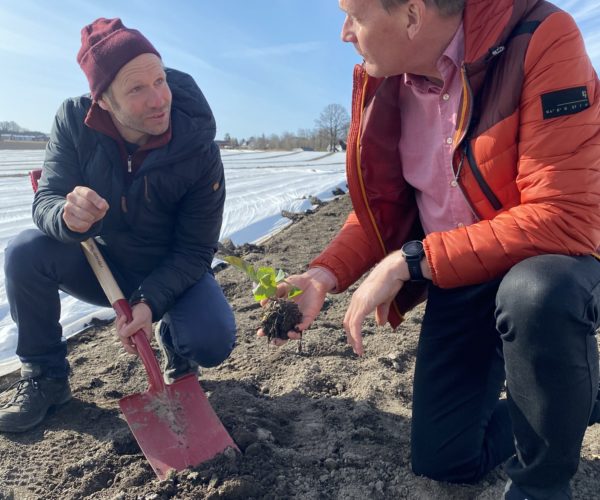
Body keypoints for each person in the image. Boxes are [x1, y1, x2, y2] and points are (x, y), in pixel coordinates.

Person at [264, 1, 600, 498]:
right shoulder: (390, 87)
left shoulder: (541, 38)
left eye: (353, 16)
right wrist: (326, 274)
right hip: (460, 274)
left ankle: (542, 484)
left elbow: (565, 216)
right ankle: (581, 398)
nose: (343, 34)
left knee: (535, 296)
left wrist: (411, 260)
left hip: (542, 264)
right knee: (444, 460)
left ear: (413, 16)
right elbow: (385, 209)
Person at [0, 18, 236, 433]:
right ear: (103, 101)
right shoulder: (74, 122)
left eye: (160, 80)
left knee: (211, 338)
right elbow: (47, 201)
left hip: (172, 266)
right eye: (136, 89)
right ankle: (45, 377)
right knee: (24, 253)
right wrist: (66, 216)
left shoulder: (195, 143)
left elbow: (196, 250)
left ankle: (176, 346)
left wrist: (147, 304)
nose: (158, 99)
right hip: (103, 265)